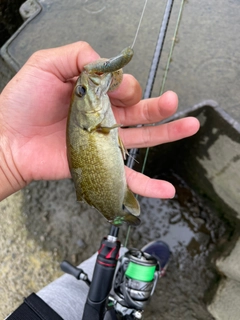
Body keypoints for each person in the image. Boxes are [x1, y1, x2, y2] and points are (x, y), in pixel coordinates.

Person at [0, 41, 200, 319]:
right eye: (82, 91)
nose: (84, 89)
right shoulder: (91, 118)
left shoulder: (90, 113)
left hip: (41, 313)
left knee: (83, 292)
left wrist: (6, 153)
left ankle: (120, 290)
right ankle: (126, 297)